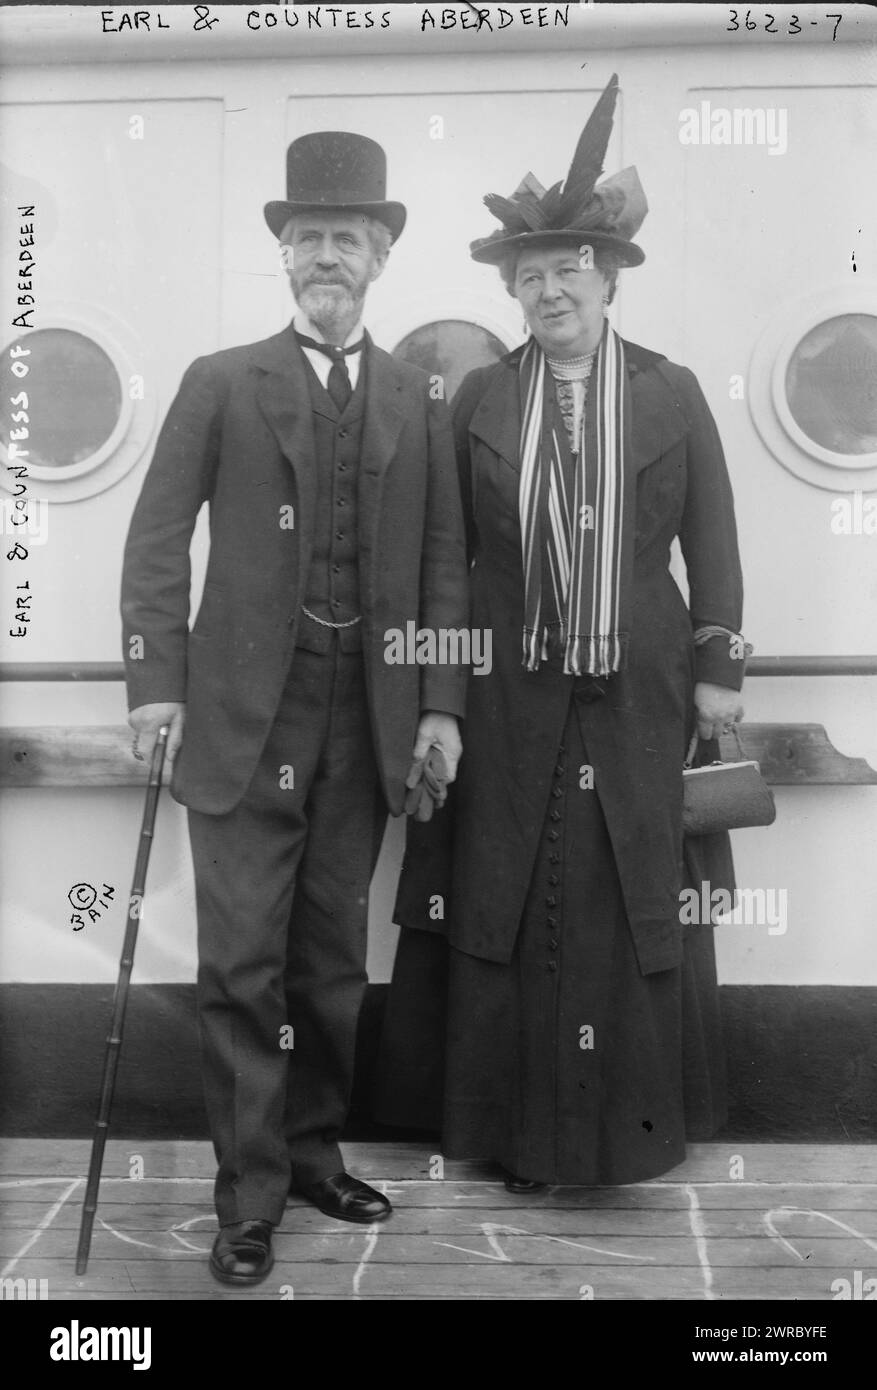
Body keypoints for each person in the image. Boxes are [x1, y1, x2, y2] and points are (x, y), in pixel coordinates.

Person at [376, 76, 745, 1190]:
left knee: (624, 895)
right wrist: (441, 701)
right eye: (527, 276)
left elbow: (714, 544)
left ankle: (627, 1135)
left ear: (607, 277)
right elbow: (448, 562)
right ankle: (516, 1137)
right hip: (508, 694)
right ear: (512, 289)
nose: (547, 290)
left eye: (566, 272)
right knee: (509, 893)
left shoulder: (673, 394)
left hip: (640, 694)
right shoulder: (479, 399)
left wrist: (718, 674)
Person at [120, 131, 468, 1284]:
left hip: (363, 725)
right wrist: (155, 686)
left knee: (329, 965)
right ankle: (248, 1195)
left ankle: (315, 1152)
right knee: (241, 971)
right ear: (284, 254)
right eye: (309, 236)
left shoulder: (419, 396)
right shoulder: (222, 380)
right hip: (237, 724)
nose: (329, 255)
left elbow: (442, 565)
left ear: (378, 258)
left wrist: (439, 706)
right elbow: (157, 541)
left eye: (349, 239)